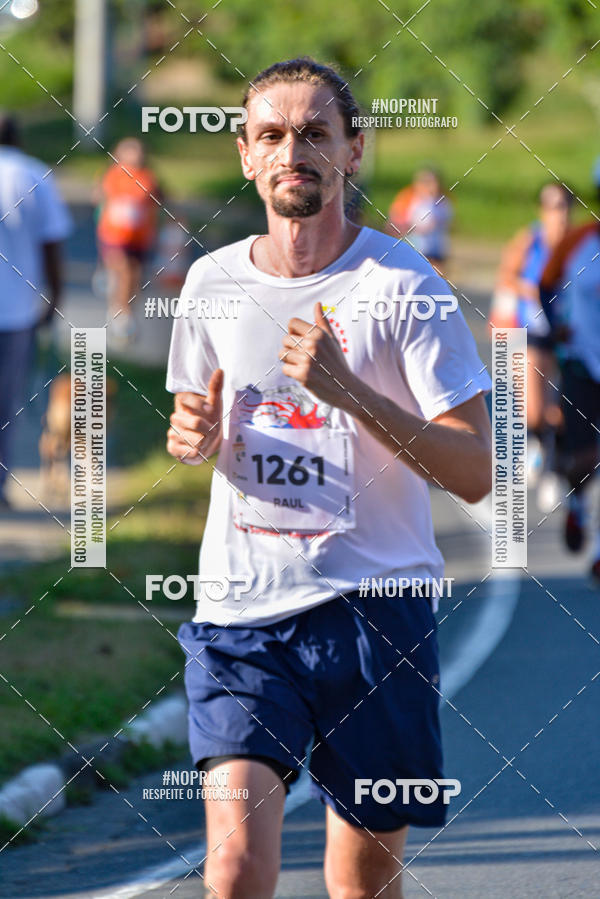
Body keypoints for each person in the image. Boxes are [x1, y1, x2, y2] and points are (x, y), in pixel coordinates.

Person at [166, 58, 492, 898]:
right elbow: (195, 428)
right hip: (242, 614)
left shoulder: (405, 287)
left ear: (353, 150)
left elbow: (476, 471)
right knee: (234, 870)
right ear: (245, 154)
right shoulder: (211, 283)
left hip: (376, 615)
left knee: (361, 885)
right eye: (271, 134)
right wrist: (191, 437)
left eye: (315, 133)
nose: (292, 151)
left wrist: (348, 391)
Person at [0, 113, 70, 510]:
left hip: (16, 313)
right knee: (4, 401)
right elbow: (52, 244)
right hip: (14, 313)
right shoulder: (34, 175)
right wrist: (54, 299)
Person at [493, 183, 573, 508]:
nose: (560, 213)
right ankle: (537, 446)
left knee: (565, 407)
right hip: (535, 329)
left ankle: (553, 468)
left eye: (565, 205)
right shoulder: (530, 240)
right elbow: (507, 277)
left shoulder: (580, 243)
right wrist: (529, 290)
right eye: (553, 206)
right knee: (535, 407)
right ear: (543, 209)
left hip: (571, 335)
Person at [540, 213, 600, 585]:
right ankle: (576, 502)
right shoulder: (577, 241)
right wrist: (556, 322)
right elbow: (545, 283)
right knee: (584, 460)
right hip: (580, 361)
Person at [95, 137, 160, 341]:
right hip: (114, 235)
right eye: (129, 150)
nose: (135, 155)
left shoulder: (149, 178)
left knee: (134, 277)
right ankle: (122, 314)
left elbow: (160, 202)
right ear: (119, 154)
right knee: (123, 270)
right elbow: (99, 198)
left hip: (140, 238)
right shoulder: (113, 176)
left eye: (138, 150)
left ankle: (124, 307)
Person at [387, 167, 452, 272]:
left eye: (432, 183)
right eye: (425, 182)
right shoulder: (409, 199)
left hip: (435, 248)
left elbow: (443, 221)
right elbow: (395, 220)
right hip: (415, 246)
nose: (430, 187)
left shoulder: (442, 202)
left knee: (436, 274)